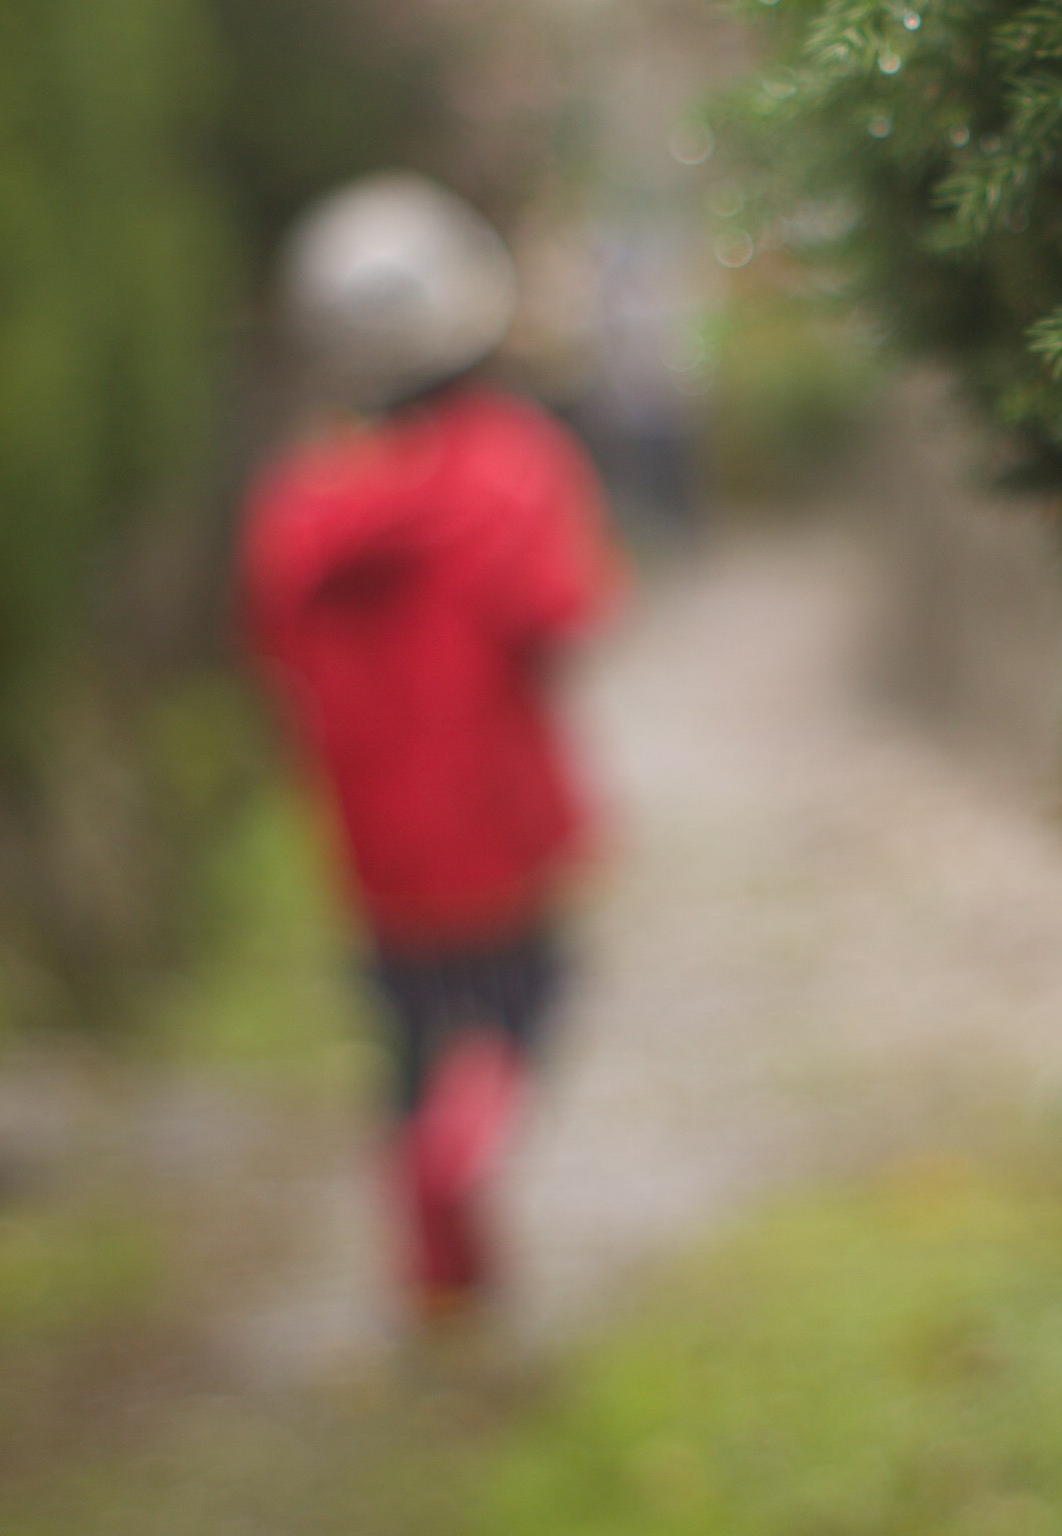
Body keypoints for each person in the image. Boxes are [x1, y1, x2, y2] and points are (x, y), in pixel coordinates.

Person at [240, 173, 618, 1318]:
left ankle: (439, 1277)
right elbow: (564, 614)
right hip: (498, 818)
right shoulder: (512, 465)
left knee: (404, 1044)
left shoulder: (306, 495)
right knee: (527, 1009)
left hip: (372, 839)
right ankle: (469, 1144)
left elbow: (269, 646)